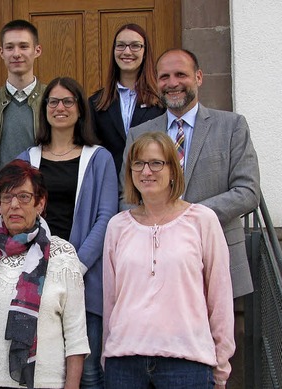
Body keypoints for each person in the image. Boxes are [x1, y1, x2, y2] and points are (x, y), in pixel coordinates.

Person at [123, 49, 260, 298]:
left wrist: (187, 217)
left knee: (217, 335)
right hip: (154, 261)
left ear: (198, 77)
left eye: (180, 74)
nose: (172, 83)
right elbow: (128, 196)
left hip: (217, 256)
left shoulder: (231, 126)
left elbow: (247, 192)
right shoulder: (138, 134)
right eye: (164, 76)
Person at [103, 131, 235, 388]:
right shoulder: (117, 226)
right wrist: (107, 355)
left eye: (156, 163)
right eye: (138, 164)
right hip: (125, 363)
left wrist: (221, 364)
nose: (146, 171)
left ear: (173, 170)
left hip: (188, 363)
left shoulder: (202, 220)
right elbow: (110, 299)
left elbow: (219, 296)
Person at [0, 160, 90, 389]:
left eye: (24, 197)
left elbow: (76, 338)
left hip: (42, 382)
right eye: (6, 197)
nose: (14, 204)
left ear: (40, 203)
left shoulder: (63, 255)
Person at [17, 77, 117, 389]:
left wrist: (74, 265)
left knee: (87, 374)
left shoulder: (99, 158)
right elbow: (17, 217)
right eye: (53, 102)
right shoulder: (26, 159)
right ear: (44, 109)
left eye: (68, 101)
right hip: (36, 274)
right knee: (40, 368)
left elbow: (106, 218)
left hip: (85, 277)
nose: (60, 108)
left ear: (80, 110)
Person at [89, 23, 164, 175]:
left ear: (145, 51)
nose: (127, 51)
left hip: (151, 183)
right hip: (111, 185)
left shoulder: (161, 102)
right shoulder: (96, 103)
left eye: (135, 46)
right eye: (121, 45)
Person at [0, 20, 45, 177]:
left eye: (24, 46)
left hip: (41, 192)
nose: (16, 53)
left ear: (37, 50)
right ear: (1, 52)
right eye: (9, 47)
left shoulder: (51, 101)